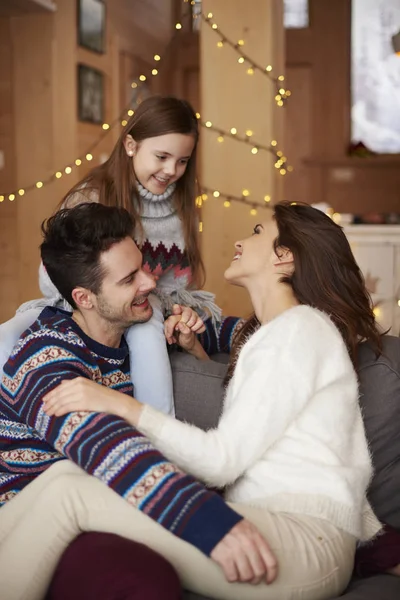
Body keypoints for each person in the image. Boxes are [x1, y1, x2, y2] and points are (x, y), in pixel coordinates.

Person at [45, 201, 384, 600]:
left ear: (285, 257)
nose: (242, 241)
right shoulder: (280, 334)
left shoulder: (298, 332)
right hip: (289, 532)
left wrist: (120, 405)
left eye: (258, 232)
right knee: (63, 482)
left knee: (71, 494)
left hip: (303, 543)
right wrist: (195, 351)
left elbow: (221, 462)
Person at [0, 203, 277, 600]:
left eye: (143, 266)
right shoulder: (43, 359)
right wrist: (210, 523)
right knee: (144, 580)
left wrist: (319, 327)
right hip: (37, 521)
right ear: (85, 298)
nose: (149, 282)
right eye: (130, 278)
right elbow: (101, 442)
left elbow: (247, 331)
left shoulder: (143, 325)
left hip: (109, 505)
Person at [0, 95, 218, 416]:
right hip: (75, 300)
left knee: (147, 333)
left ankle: (158, 427)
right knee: (6, 334)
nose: (171, 170)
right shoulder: (91, 196)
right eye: (161, 156)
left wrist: (170, 308)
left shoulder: (182, 205)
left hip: (148, 303)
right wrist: (85, 303)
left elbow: (177, 280)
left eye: (182, 161)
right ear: (131, 145)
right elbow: (57, 270)